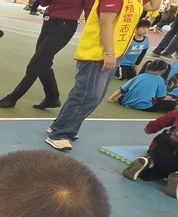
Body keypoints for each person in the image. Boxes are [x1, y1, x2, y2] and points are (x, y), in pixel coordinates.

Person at [45, 0, 162, 152]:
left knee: (94, 96)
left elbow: (153, 6)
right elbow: (105, 24)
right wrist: (109, 53)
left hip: (114, 53)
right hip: (97, 54)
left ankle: (63, 126)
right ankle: (59, 133)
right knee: (86, 95)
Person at [0, 0, 94, 109]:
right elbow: (44, 3)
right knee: (43, 64)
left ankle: (12, 98)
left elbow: (90, 10)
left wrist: (91, 36)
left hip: (65, 26)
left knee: (35, 65)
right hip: (49, 22)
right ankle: (52, 98)